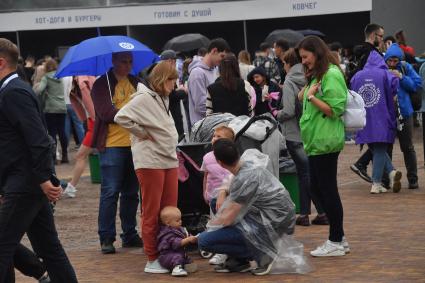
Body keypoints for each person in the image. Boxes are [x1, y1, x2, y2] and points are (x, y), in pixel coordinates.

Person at [0, 37, 77, 282]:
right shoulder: (13, 89)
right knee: (48, 248)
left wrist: (44, 178)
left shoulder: (13, 92)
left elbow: (39, 139)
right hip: (26, 181)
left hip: (24, 183)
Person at [114, 61, 179, 273]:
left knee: (169, 210)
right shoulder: (143, 97)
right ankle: (152, 257)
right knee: (152, 210)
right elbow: (120, 116)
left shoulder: (162, 97)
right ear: (162, 79)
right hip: (150, 160)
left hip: (167, 158)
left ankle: (168, 253)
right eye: (172, 79)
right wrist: (141, 133)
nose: (174, 83)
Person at [198, 139, 296, 275]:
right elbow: (230, 185)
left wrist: (202, 233)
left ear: (220, 163)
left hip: (273, 223)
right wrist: (222, 191)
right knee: (217, 203)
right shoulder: (248, 160)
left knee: (205, 241)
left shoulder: (243, 179)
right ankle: (240, 260)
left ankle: (264, 253)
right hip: (278, 214)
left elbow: (227, 220)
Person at [296, 35, 349, 256]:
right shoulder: (319, 75)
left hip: (326, 141)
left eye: (305, 57)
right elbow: (301, 97)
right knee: (317, 188)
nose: (303, 61)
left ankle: (336, 239)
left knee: (327, 190)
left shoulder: (332, 74)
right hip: (316, 141)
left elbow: (336, 108)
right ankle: (339, 235)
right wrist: (307, 89)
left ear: (316, 53)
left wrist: (311, 97)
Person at [91, 51, 142, 254]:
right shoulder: (101, 84)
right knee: (110, 192)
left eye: (130, 61)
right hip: (112, 144)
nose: (127, 65)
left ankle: (129, 234)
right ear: (113, 62)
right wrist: (131, 113)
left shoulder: (137, 82)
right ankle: (106, 237)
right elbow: (106, 113)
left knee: (131, 193)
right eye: (123, 61)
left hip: (135, 144)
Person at [276, 48, 328, 226]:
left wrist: (277, 113)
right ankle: (305, 214)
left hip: (293, 133)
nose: (283, 66)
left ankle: (321, 211)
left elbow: (288, 110)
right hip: (310, 130)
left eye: (284, 62)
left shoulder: (290, 79)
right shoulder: (312, 75)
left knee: (305, 175)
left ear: (289, 63)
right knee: (306, 173)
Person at [351, 50, 402, 193]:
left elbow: (352, 90)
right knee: (380, 147)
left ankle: (391, 172)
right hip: (382, 116)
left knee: (375, 147)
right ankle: (376, 183)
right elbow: (394, 88)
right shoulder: (386, 74)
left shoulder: (357, 76)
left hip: (362, 118)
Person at [384, 43, 421, 189]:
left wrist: (401, 77)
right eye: (390, 61)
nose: (392, 64)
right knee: (386, 147)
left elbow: (416, 85)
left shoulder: (406, 67)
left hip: (404, 113)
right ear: (386, 59)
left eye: (395, 61)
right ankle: (387, 179)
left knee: (407, 147)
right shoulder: (381, 68)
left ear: (399, 60)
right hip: (386, 113)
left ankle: (413, 179)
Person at [200, 125, 234, 265]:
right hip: (212, 198)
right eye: (214, 136)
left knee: (224, 225)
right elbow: (206, 176)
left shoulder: (231, 156)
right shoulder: (207, 157)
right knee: (214, 224)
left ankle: (223, 253)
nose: (215, 138)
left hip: (227, 198)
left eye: (219, 137)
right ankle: (216, 249)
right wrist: (205, 193)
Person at [62, 76, 96, 198]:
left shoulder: (81, 81)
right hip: (93, 122)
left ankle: (71, 187)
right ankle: (71, 187)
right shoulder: (80, 81)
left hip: (94, 123)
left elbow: (88, 104)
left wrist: (91, 119)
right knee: (82, 156)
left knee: (80, 156)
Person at [33, 58, 68, 164]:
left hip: (51, 108)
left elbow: (39, 90)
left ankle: (53, 156)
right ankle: (65, 155)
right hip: (62, 107)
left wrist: (37, 87)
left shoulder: (46, 77)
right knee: (62, 131)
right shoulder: (60, 76)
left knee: (52, 133)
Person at [188, 38, 230, 125]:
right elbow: (200, 105)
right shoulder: (197, 73)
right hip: (203, 127)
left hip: (214, 123)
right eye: (222, 56)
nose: (222, 60)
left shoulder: (215, 69)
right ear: (214, 51)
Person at [206, 53, 253, 117]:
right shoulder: (245, 84)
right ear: (236, 67)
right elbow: (249, 110)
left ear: (220, 68)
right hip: (242, 125)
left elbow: (209, 114)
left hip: (220, 126)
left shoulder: (211, 88)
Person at [157, 206, 198, 277]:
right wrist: (188, 240)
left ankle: (184, 265)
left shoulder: (180, 229)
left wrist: (192, 238)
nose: (180, 221)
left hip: (180, 253)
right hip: (167, 256)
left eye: (180, 219)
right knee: (177, 257)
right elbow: (175, 244)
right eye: (177, 220)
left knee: (186, 259)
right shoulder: (167, 233)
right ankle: (176, 269)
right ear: (168, 223)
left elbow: (186, 235)